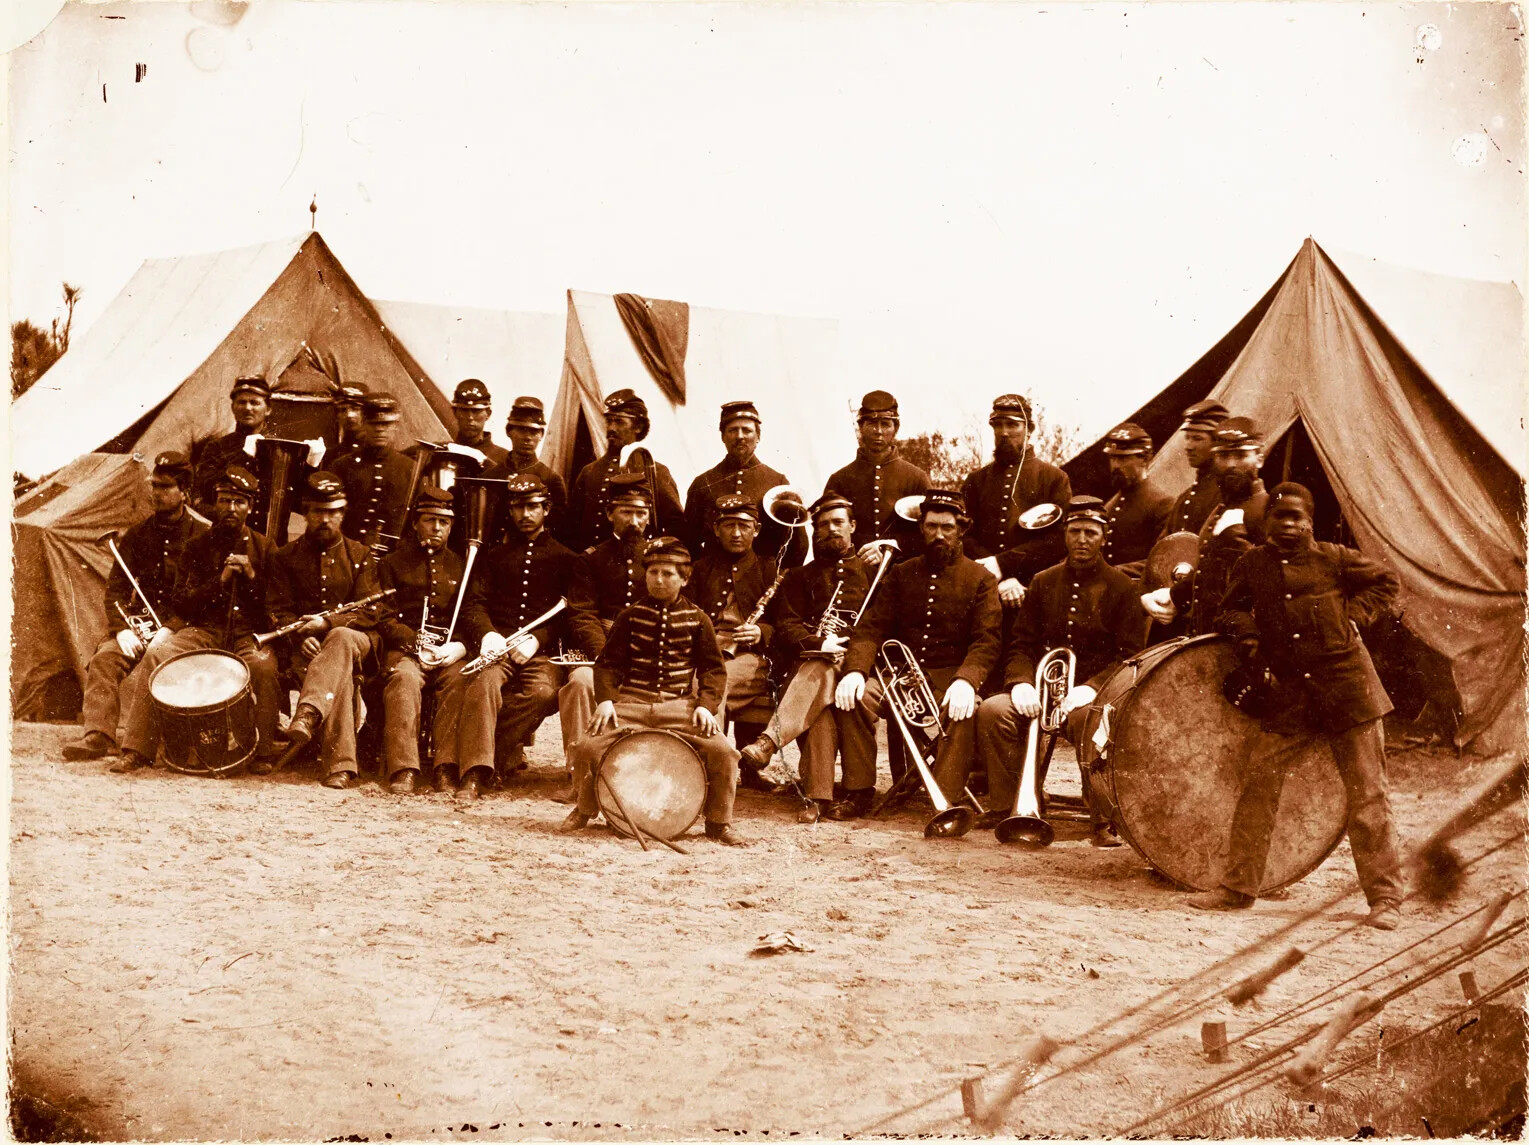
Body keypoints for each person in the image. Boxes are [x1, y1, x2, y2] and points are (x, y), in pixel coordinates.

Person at [1188, 483, 1405, 930]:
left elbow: (1387, 582)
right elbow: (1230, 610)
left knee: (1369, 796)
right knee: (1258, 787)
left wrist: (1353, 616)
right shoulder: (1252, 564)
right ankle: (1238, 888)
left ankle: (1385, 898)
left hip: (1349, 690)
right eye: (1280, 517)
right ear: (1266, 522)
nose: (1288, 525)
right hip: (1291, 695)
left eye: (1297, 518)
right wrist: (1248, 635)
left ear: (1310, 522)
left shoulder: (1335, 558)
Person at [975, 496, 1146, 846]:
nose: (1082, 540)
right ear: (1065, 535)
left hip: (1091, 695)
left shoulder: (1122, 587)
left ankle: (1102, 819)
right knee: (993, 710)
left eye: (1090, 533)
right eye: (1074, 531)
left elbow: (1129, 656)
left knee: (1089, 719)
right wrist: (1020, 683)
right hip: (1041, 689)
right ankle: (1008, 805)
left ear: (1104, 537)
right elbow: (1021, 644)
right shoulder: (1043, 581)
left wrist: (1092, 687)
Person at [560, 537, 746, 846]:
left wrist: (705, 706)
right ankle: (584, 809)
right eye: (653, 572)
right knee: (586, 748)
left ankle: (718, 822)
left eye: (667, 574)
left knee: (724, 753)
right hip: (631, 703)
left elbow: (713, 670)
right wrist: (606, 701)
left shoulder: (698, 619)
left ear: (684, 579)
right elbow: (608, 665)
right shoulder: (629, 616)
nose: (658, 580)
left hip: (678, 706)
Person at [832, 490, 1002, 820]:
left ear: (961, 530)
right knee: (856, 698)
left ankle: (946, 800)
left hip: (948, 679)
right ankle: (859, 790)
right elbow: (871, 628)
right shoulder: (901, 573)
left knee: (964, 710)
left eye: (947, 527)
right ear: (921, 528)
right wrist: (855, 671)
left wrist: (966, 681)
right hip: (898, 678)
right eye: (931, 526)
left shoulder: (981, 579)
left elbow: (987, 640)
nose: (939, 535)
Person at [112, 466, 280, 773]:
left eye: (239, 502)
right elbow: (181, 603)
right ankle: (136, 748)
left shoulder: (266, 548)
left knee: (264, 667)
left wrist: (251, 576)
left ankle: (263, 753)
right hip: (205, 631)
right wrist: (220, 581)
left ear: (250, 507)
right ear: (215, 504)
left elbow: (273, 607)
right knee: (158, 655)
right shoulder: (197, 546)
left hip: (247, 635)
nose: (231, 508)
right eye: (225, 500)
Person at [457, 474, 601, 801]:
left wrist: (538, 639)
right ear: (510, 510)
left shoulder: (567, 558)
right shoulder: (494, 557)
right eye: (519, 507)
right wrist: (488, 634)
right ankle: (474, 773)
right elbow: (475, 603)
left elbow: (571, 615)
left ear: (546, 509)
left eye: (533, 507)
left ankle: (493, 756)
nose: (525, 514)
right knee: (483, 686)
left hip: (541, 653)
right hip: (498, 648)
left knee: (543, 693)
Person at [64, 452, 207, 762]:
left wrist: (172, 628)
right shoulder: (138, 534)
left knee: (164, 662)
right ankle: (98, 735)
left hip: (185, 627)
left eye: (165, 487)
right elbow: (116, 589)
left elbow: (207, 597)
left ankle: (162, 740)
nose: (156, 493)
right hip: (143, 627)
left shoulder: (203, 533)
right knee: (105, 658)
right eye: (154, 485)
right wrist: (122, 630)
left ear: (185, 492)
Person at [740, 493, 871, 823]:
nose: (831, 529)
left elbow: (879, 625)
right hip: (812, 665)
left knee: (819, 673)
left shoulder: (874, 571)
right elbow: (787, 626)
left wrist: (851, 654)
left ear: (853, 526)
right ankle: (819, 796)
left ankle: (769, 743)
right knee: (820, 699)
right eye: (823, 525)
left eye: (838, 522)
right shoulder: (799, 576)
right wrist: (821, 643)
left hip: (860, 665)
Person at [268, 472, 385, 789]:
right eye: (318, 511)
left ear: (343, 514)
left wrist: (327, 624)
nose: (325, 519)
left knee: (341, 638)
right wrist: (300, 637)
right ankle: (340, 767)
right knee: (339, 674)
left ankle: (307, 712)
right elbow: (277, 609)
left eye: (333, 512)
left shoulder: (360, 555)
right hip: (306, 649)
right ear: (306, 512)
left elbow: (371, 611)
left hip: (358, 642)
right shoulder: (284, 557)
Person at [375, 486, 471, 794]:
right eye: (430, 520)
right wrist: (416, 643)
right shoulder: (392, 563)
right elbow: (384, 618)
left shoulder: (463, 566)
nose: (436, 528)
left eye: (444, 522)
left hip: (447, 653)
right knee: (403, 679)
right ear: (416, 523)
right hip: (406, 651)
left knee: (460, 680)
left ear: (451, 526)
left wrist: (456, 647)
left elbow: (471, 615)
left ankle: (445, 767)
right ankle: (403, 768)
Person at [683, 494, 780, 791]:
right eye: (728, 525)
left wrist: (761, 632)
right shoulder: (700, 569)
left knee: (715, 684)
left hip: (750, 657)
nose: (736, 533)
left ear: (756, 530)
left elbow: (786, 622)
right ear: (716, 529)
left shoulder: (770, 569)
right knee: (710, 681)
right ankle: (711, 769)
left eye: (743, 525)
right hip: (705, 653)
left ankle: (712, 772)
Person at [1142, 417, 1270, 636]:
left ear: (1259, 458)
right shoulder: (1221, 509)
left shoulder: (1266, 511)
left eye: (1240, 455)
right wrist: (1173, 596)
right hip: (1210, 635)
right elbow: (1209, 572)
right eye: (1223, 456)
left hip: (1245, 639)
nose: (1231, 464)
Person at [961, 394, 1073, 605]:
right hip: (982, 588)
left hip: (1034, 589)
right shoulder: (976, 480)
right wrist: (993, 572)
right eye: (998, 425)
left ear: (1029, 430)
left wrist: (1003, 564)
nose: (1004, 432)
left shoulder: (1054, 478)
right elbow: (963, 533)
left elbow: (1059, 539)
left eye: (1012, 425)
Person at [683, 400, 803, 565]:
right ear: (723, 437)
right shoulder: (702, 483)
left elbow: (796, 543)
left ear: (758, 437)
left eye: (746, 430)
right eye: (733, 430)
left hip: (763, 577)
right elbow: (688, 540)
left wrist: (778, 576)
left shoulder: (777, 482)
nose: (740, 436)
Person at [567, 389, 684, 550]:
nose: (611, 428)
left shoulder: (656, 471)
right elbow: (572, 527)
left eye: (619, 422)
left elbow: (676, 526)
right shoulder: (589, 472)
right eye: (609, 421)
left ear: (638, 427)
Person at [822, 390, 930, 557]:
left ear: (896, 428)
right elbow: (823, 537)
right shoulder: (839, 479)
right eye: (872, 423)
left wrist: (894, 546)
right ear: (860, 427)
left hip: (903, 568)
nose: (878, 431)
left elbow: (932, 532)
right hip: (854, 569)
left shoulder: (916, 478)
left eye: (885, 424)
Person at [329, 394, 416, 554]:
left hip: (393, 556)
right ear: (363, 424)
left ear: (396, 426)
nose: (379, 429)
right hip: (347, 553)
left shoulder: (410, 469)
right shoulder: (342, 466)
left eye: (386, 424)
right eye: (373, 423)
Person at [482, 396, 569, 543]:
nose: (528, 437)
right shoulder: (490, 476)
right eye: (522, 430)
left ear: (541, 435)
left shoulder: (551, 479)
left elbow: (559, 531)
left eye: (534, 432)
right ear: (508, 431)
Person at [1098, 423, 1172, 576]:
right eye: (1113, 458)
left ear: (1144, 459)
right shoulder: (1109, 506)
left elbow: (1162, 559)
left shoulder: (1162, 503)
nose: (1115, 465)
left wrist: (1113, 573)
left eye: (1123, 459)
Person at [192, 377, 272, 515]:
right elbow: (203, 492)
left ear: (268, 409)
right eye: (242, 402)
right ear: (233, 407)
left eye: (254, 403)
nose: (248, 408)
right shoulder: (217, 447)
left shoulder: (279, 448)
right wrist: (243, 458)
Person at [1161, 400, 1230, 536]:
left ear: (1217, 443)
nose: (1188, 446)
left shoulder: (1225, 494)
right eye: (1187, 438)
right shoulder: (1184, 499)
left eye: (1197, 439)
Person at [446, 378, 510, 468]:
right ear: (455, 412)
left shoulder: (505, 459)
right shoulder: (442, 453)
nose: (470, 417)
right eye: (464, 410)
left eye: (476, 411)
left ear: (488, 413)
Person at [331, 382, 370, 455]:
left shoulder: (376, 451)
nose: (349, 415)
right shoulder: (333, 454)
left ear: (366, 413)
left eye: (355, 409)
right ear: (337, 416)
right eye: (343, 410)